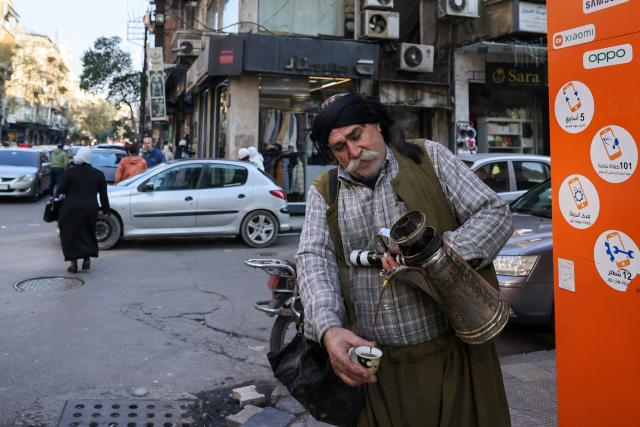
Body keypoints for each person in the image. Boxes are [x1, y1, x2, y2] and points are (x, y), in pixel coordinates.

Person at [296, 93, 513, 426]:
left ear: (378, 126)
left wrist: (438, 255)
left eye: (357, 135)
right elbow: (314, 258)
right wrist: (327, 329)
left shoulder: (430, 159)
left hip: (453, 357)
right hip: (377, 371)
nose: (353, 152)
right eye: (340, 147)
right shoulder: (325, 191)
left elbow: (495, 213)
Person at [57, 147, 110, 273]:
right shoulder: (98, 174)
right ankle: (87, 258)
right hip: (90, 208)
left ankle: (73, 264)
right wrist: (106, 210)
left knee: (70, 234)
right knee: (88, 232)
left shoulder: (71, 172)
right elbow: (103, 195)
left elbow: (60, 189)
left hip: (71, 208)